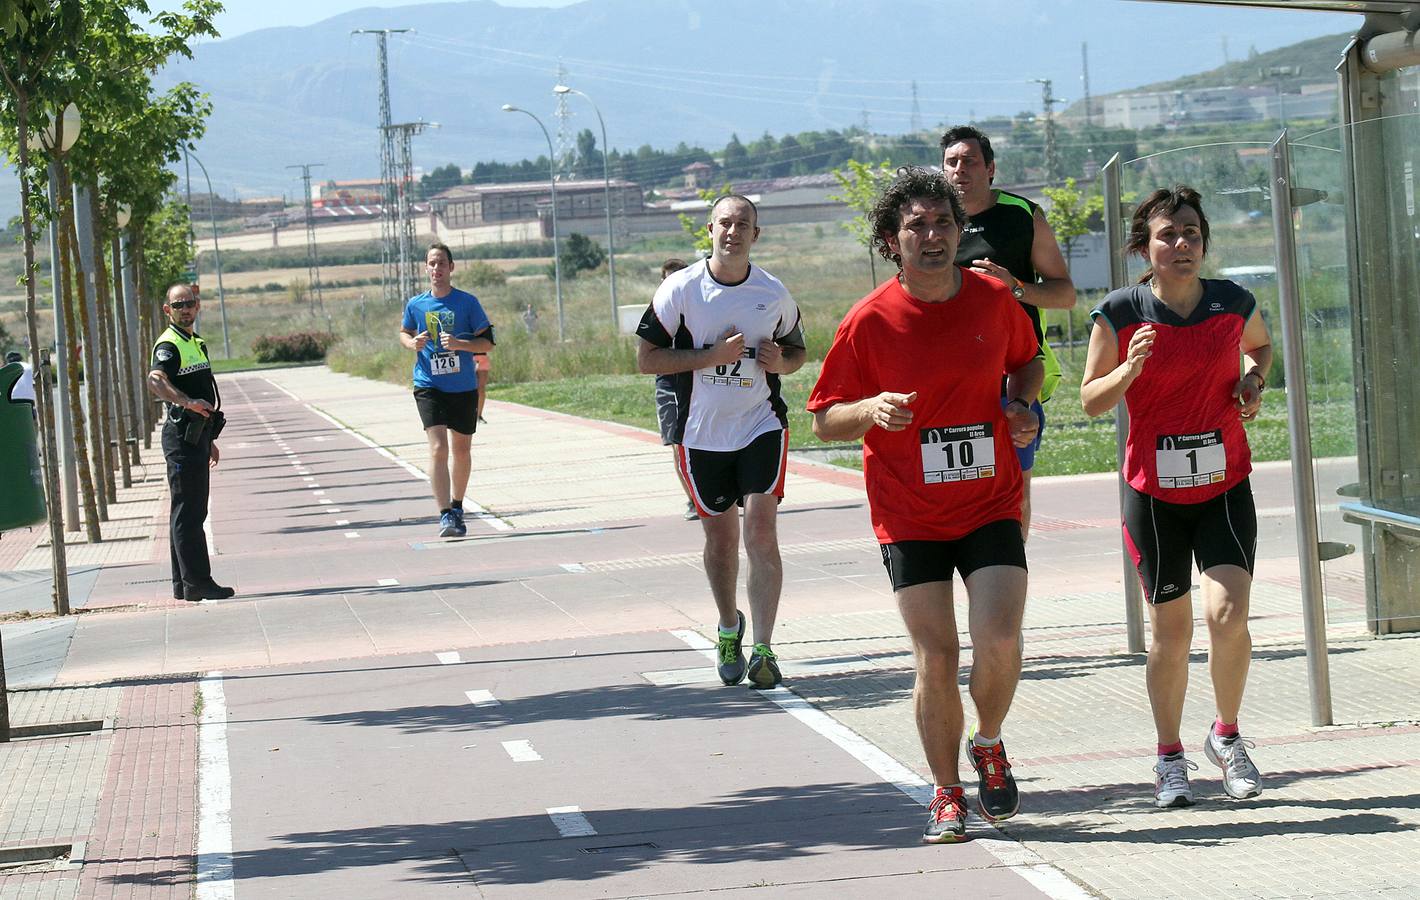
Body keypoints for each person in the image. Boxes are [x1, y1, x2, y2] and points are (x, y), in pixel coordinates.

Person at [807, 167, 1043, 843]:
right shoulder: (868, 321)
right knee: (936, 656)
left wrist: (1021, 405)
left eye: (944, 223)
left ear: (959, 231)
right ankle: (945, 792)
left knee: (998, 637)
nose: (933, 236)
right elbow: (823, 419)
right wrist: (869, 409)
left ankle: (989, 741)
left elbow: (1028, 363)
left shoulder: (995, 299)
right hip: (909, 511)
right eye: (917, 225)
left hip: (989, 500)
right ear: (892, 240)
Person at [1081, 186, 1271, 810]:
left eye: (1191, 232)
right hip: (1154, 495)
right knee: (1171, 629)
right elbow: (1091, 399)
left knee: (1228, 615)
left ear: (1204, 242)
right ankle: (1169, 756)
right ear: (1146, 246)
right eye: (1168, 234)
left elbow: (1260, 347)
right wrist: (1128, 370)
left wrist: (1252, 378)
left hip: (1222, 484)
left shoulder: (1233, 302)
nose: (1182, 244)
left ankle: (1228, 736)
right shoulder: (1120, 311)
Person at [636, 195, 806, 689]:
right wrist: (710, 355)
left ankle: (765, 650)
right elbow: (648, 359)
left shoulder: (772, 292)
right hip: (701, 433)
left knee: (760, 531)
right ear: (710, 229)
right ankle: (729, 627)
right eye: (725, 223)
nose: (733, 232)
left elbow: (797, 351)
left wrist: (782, 363)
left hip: (760, 424)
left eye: (743, 225)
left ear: (757, 234)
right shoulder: (681, 289)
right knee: (722, 540)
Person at [941, 126, 1075, 538]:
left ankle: (1009, 584)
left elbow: (1065, 293)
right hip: (950, 380)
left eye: (970, 161)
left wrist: (1015, 288)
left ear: (991, 168)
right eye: (951, 162)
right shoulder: (932, 222)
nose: (960, 170)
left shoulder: (1022, 215)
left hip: (1015, 378)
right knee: (955, 493)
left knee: (1015, 491)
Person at [399, 242, 495, 538]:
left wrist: (459, 345)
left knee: (461, 450)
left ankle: (457, 506)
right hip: (429, 384)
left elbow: (487, 343)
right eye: (431, 263)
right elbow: (404, 332)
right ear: (425, 268)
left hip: (463, 386)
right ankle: (444, 514)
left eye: (441, 263)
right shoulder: (416, 305)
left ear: (451, 268)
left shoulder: (467, 303)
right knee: (439, 448)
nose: (436, 269)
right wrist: (412, 343)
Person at [146, 284, 234, 603]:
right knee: (190, 511)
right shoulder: (169, 344)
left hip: (197, 436)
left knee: (187, 511)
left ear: (198, 307)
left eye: (190, 303)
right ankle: (198, 581)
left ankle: (184, 584)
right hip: (181, 438)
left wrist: (208, 439)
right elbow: (156, 380)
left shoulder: (195, 342)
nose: (185, 309)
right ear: (167, 310)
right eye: (178, 304)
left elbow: (203, 389)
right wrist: (187, 402)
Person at [652, 257, 698, 521]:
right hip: (668, 383)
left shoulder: (701, 305)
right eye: (668, 277)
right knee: (676, 442)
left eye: (679, 276)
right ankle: (692, 500)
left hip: (696, 379)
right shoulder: (657, 308)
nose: (673, 282)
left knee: (703, 438)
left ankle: (710, 494)